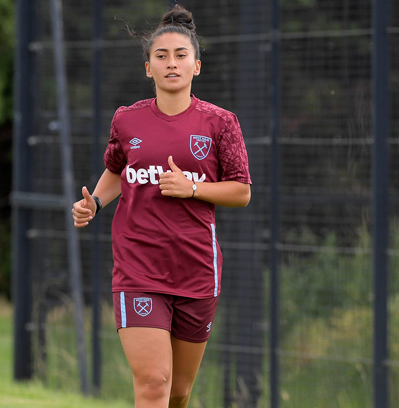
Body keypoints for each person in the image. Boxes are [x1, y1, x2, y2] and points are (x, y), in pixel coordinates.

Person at [71, 4, 251, 407]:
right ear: (148, 68)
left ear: (197, 66)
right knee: (154, 384)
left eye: (181, 56)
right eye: (161, 56)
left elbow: (241, 191)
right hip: (139, 268)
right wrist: (95, 203)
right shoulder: (127, 120)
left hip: (197, 271)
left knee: (178, 392)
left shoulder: (221, 123)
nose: (172, 63)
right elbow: (117, 170)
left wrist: (193, 188)